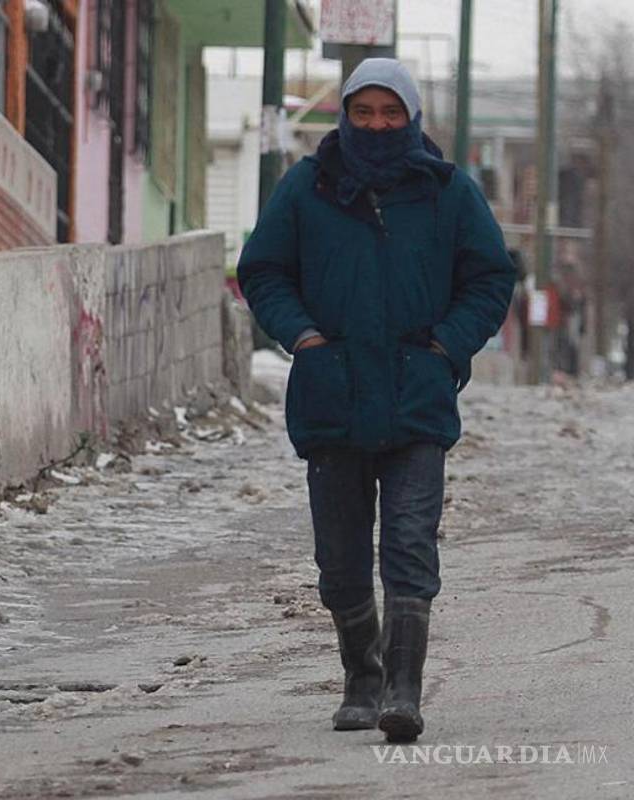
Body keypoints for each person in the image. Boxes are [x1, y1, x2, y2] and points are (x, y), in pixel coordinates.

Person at [237, 60, 514, 743]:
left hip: (419, 399)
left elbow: (489, 278)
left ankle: (403, 691)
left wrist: (446, 347)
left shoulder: (449, 192)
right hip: (330, 399)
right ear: (345, 115)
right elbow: (262, 270)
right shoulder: (307, 187)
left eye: (391, 113)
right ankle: (362, 677)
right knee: (339, 557)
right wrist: (304, 338)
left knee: (411, 543)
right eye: (364, 112)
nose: (378, 125)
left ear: (412, 116)